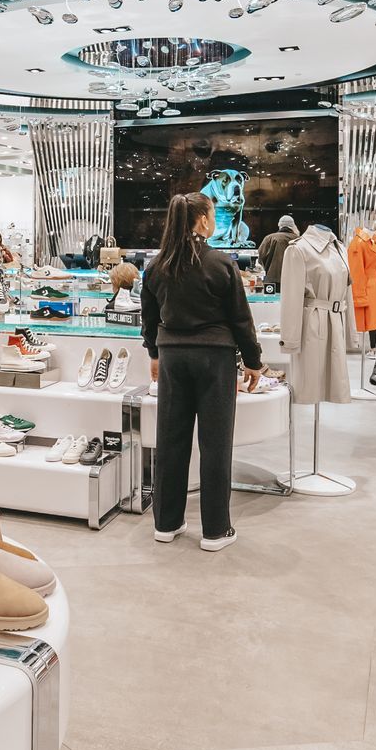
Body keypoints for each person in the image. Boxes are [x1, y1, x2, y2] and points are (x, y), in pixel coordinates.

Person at [141, 192, 264, 551]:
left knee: (170, 441)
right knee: (214, 445)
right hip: (215, 361)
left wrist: (154, 353)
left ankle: (166, 523)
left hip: (172, 359)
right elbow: (242, 321)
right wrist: (254, 362)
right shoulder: (220, 263)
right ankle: (215, 530)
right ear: (202, 221)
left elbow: (149, 319)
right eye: (211, 214)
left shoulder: (157, 265)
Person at [257, 215, 295, 288]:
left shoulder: (269, 238)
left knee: (272, 299)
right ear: (293, 226)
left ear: (279, 225)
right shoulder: (299, 240)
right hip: (293, 281)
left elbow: (258, 259)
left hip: (271, 282)